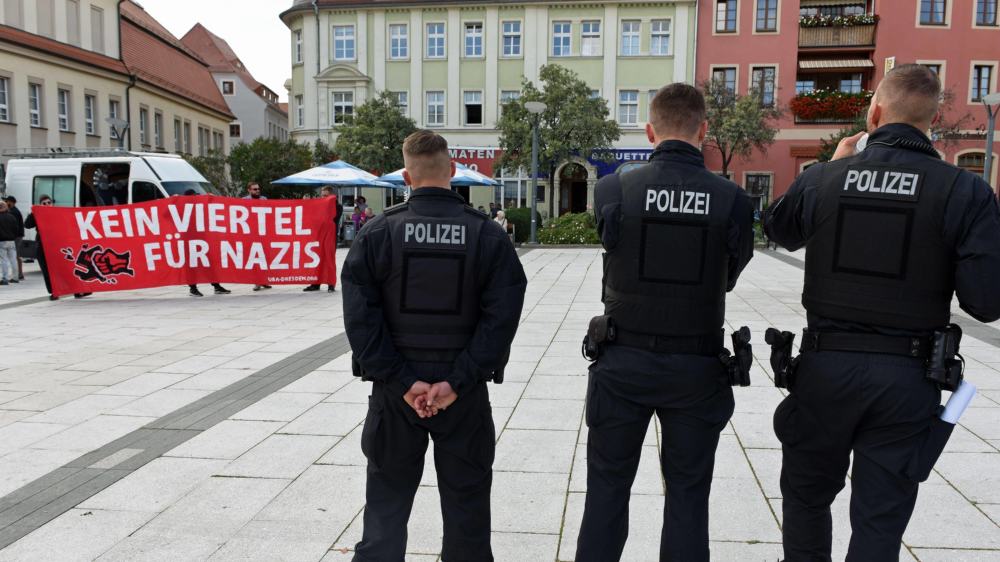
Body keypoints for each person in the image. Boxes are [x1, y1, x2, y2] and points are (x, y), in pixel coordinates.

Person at [763, 64, 1000, 562]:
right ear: (933, 120)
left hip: (824, 371)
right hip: (907, 379)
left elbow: (778, 230)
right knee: (880, 520)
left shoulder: (825, 178)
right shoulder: (964, 190)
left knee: (806, 498)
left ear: (874, 114)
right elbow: (985, 302)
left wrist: (830, 166)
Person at [576, 83, 754, 562]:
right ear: (704, 130)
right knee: (688, 496)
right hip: (696, 367)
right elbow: (729, 276)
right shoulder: (733, 199)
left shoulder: (613, 189)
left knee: (606, 490)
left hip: (622, 361)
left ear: (650, 131)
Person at [343, 129, 526, 561]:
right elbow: (501, 320)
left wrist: (403, 382)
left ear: (406, 177)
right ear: (453, 171)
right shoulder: (487, 235)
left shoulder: (378, 233)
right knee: (467, 513)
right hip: (463, 395)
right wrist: (457, 381)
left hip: (395, 396)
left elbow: (361, 321)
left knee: (385, 511)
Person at [304, 185, 339, 292]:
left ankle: (331, 284)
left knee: (329, 259)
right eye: (322, 195)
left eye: (326, 196)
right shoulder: (319, 205)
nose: (323, 198)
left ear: (332, 196)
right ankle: (315, 283)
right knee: (316, 259)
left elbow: (334, 218)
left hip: (330, 236)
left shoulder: (338, 206)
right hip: (318, 235)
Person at [242, 182, 272, 291]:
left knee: (264, 257)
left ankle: (264, 280)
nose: (257, 191)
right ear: (249, 190)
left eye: (258, 189)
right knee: (254, 257)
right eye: (255, 189)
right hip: (251, 233)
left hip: (263, 233)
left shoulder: (264, 199)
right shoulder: (244, 200)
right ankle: (257, 282)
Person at [24, 195, 54, 298]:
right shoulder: (37, 214)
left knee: (61, 269)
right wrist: (33, 213)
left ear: (52, 203)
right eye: (44, 203)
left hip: (56, 245)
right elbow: (27, 225)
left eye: (49, 202)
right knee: (46, 270)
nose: (47, 205)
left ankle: (76, 290)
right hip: (42, 245)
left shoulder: (57, 213)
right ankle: (53, 291)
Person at [3, 196, 24, 281]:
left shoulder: (14, 212)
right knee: (16, 256)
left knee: (15, 256)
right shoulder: (14, 210)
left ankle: (19, 274)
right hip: (17, 236)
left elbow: (14, 226)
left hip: (16, 237)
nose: (6, 203)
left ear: (11, 202)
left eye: (7, 201)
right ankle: (19, 274)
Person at [0, 200, 18, 286]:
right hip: (11, 241)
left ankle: (5, 278)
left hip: (1, 241)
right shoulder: (12, 217)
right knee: (13, 259)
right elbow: (16, 229)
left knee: (3, 260)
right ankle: (15, 277)